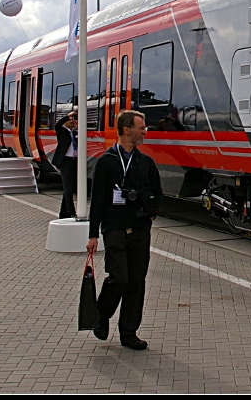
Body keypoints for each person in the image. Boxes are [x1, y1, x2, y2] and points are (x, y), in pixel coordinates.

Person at [86, 110, 162, 351]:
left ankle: (129, 332)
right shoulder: (106, 162)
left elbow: (158, 194)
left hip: (140, 229)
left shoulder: (146, 163)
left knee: (136, 282)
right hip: (115, 228)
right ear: (126, 130)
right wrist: (93, 234)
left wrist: (150, 213)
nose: (145, 131)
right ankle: (102, 314)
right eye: (141, 127)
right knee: (119, 278)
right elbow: (97, 200)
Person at [52, 110, 80, 219]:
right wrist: (67, 117)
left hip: (73, 161)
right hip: (65, 161)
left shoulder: (74, 133)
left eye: (73, 120)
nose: (72, 122)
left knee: (70, 187)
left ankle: (63, 213)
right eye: (70, 121)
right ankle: (71, 212)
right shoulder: (62, 131)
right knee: (68, 187)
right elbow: (57, 125)